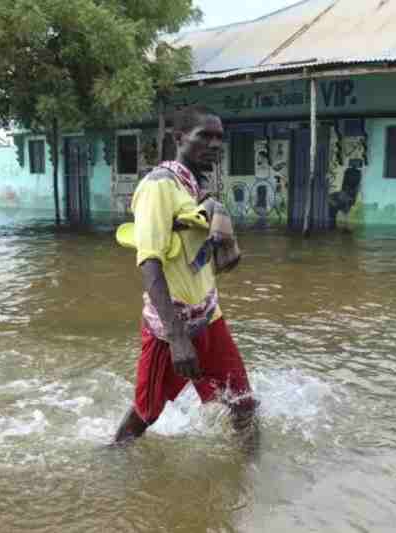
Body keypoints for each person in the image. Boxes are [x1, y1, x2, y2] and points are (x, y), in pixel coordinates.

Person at [113, 105, 257, 444]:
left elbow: (203, 262)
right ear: (178, 139)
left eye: (219, 138)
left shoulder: (193, 188)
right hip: (170, 327)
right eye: (203, 136)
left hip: (209, 317)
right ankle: (113, 465)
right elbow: (149, 262)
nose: (214, 144)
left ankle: (250, 483)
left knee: (243, 403)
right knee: (145, 414)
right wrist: (178, 339)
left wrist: (227, 248)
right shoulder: (158, 186)